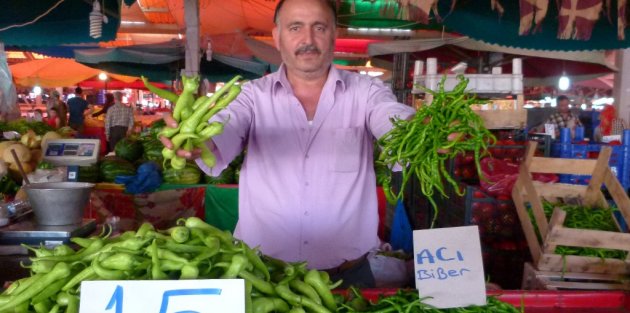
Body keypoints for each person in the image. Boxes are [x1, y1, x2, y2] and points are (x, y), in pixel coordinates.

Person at [162, 0, 415, 287]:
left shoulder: (367, 92)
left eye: (319, 27)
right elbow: (221, 129)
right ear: (277, 37)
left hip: (350, 276)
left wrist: (419, 134)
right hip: (263, 276)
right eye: (295, 27)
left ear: (334, 35)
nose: (307, 39)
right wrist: (196, 141)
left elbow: (393, 121)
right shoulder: (251, 96)